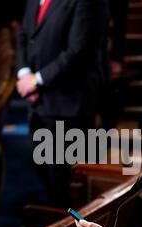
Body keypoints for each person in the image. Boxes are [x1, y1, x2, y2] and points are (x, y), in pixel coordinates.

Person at [16, 0, 104, 208]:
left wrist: (37, 80)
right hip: (39, 100)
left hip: (70, 104)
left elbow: (78, 50)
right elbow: (24, 36)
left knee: (68, 183)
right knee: (45, 175)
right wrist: (24, 74)